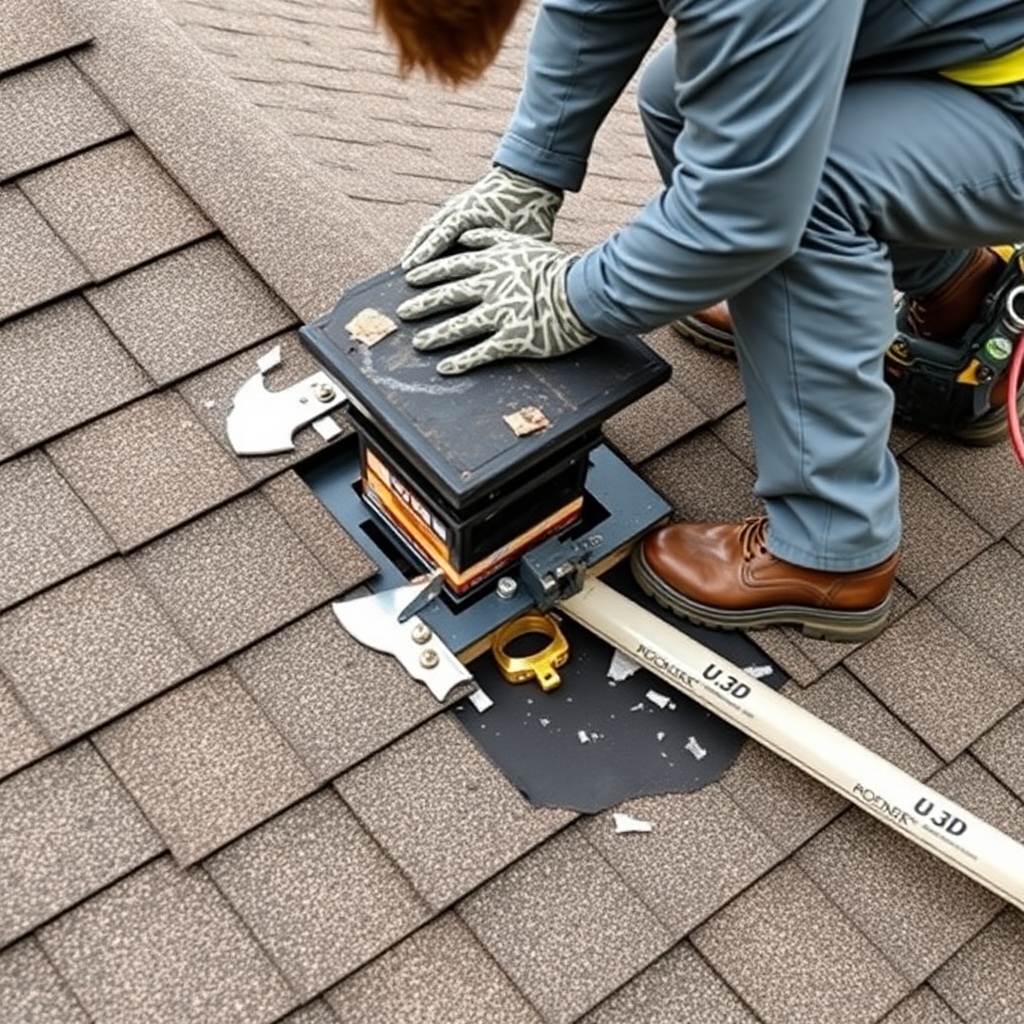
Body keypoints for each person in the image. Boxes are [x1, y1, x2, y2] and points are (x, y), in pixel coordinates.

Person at [375, 0, 1024, 642]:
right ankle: (953, 286)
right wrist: (530, 168)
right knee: (682, 95)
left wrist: (564, 299)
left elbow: (744, 212)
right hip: (965, 41)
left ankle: (832, 546)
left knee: (813, 186)